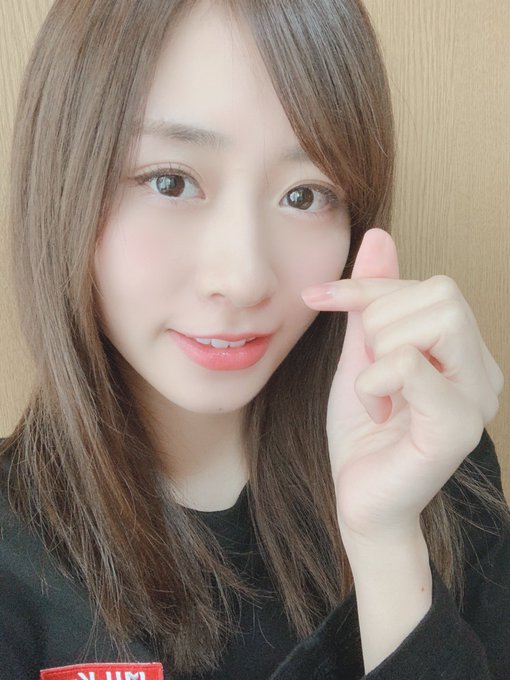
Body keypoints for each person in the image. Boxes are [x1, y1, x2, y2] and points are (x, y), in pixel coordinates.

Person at [0, 0, 508, 678]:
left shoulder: (432, 462)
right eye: (171, 181)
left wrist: (387, 544)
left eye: (305, 195)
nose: (243, 280)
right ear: (62, 183)